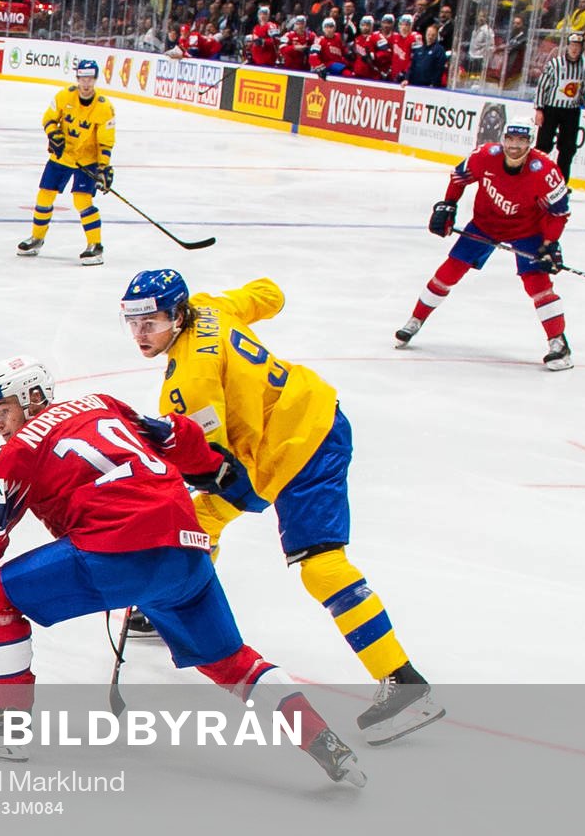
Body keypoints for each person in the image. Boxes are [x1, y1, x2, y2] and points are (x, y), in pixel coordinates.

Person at [0, 356, 363, 785]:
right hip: (188, 550)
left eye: (3, 409)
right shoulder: (102, 403)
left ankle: (5, 727)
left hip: (115, 552)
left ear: (33, 397)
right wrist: (211, 468)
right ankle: (324, 741)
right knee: (232, 662)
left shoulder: (18, 452)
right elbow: (174, 433)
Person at [123, 270, 444, 746]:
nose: (141, 334)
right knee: (200, 519)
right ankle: (173, 602)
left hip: (299, 447)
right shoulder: (211, 306)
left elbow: (212, 464)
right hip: (297, 424)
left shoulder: (189, 382)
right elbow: (269, 294)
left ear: (178, 315)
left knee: (321, 566)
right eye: (133, 323)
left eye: (151, 322)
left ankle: (403, 680)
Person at [396, 122, 574, 370]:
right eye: (510, 139)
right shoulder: (484, 156)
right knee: (449, 271)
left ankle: (559, 344)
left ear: (530, 143)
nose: (514, 146)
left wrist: (549, 244)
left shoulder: (545, 171)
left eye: (521, 141)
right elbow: (458, 178)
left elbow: (558, 212)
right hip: (485, 224)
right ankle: (415, 320)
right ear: (503, 139)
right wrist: (448, 205)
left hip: (527, 230)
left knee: (538, 285)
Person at [16, 57, 116, 266]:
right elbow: (49, 118)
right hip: (62, 156)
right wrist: (53, 134)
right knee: (44, 196)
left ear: (95, 79)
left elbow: (105, 142)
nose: (86, 83)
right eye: (83, 78)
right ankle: (36, 238)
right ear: (77, 78)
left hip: (87, 160)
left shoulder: (104, 107)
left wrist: (103, 167)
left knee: (82, 200)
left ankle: (95, 245)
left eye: (90, 78)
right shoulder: (64, 96)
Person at [533, 31, 585, 181]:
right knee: (543, 145)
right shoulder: (555, 64)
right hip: (551, 108)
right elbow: (542, 86)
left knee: (568, 148)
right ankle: (535, 176)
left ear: (581, 48)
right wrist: (539, 109)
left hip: (571, 111)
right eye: (572, 45)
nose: (574, 49)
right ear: (567, 46)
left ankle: (561, 180)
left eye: (577, 46)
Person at [407, 22, 450, 87]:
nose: (430, 37)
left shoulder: (439, 50)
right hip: (415, 84)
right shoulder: (419, 50)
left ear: (436, 36)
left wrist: (434, 83)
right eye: (428, 34)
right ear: (425, 34)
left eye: (433, 35)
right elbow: (412, 66)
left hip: (429, 86)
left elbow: (440, 69)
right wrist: (407, 79)